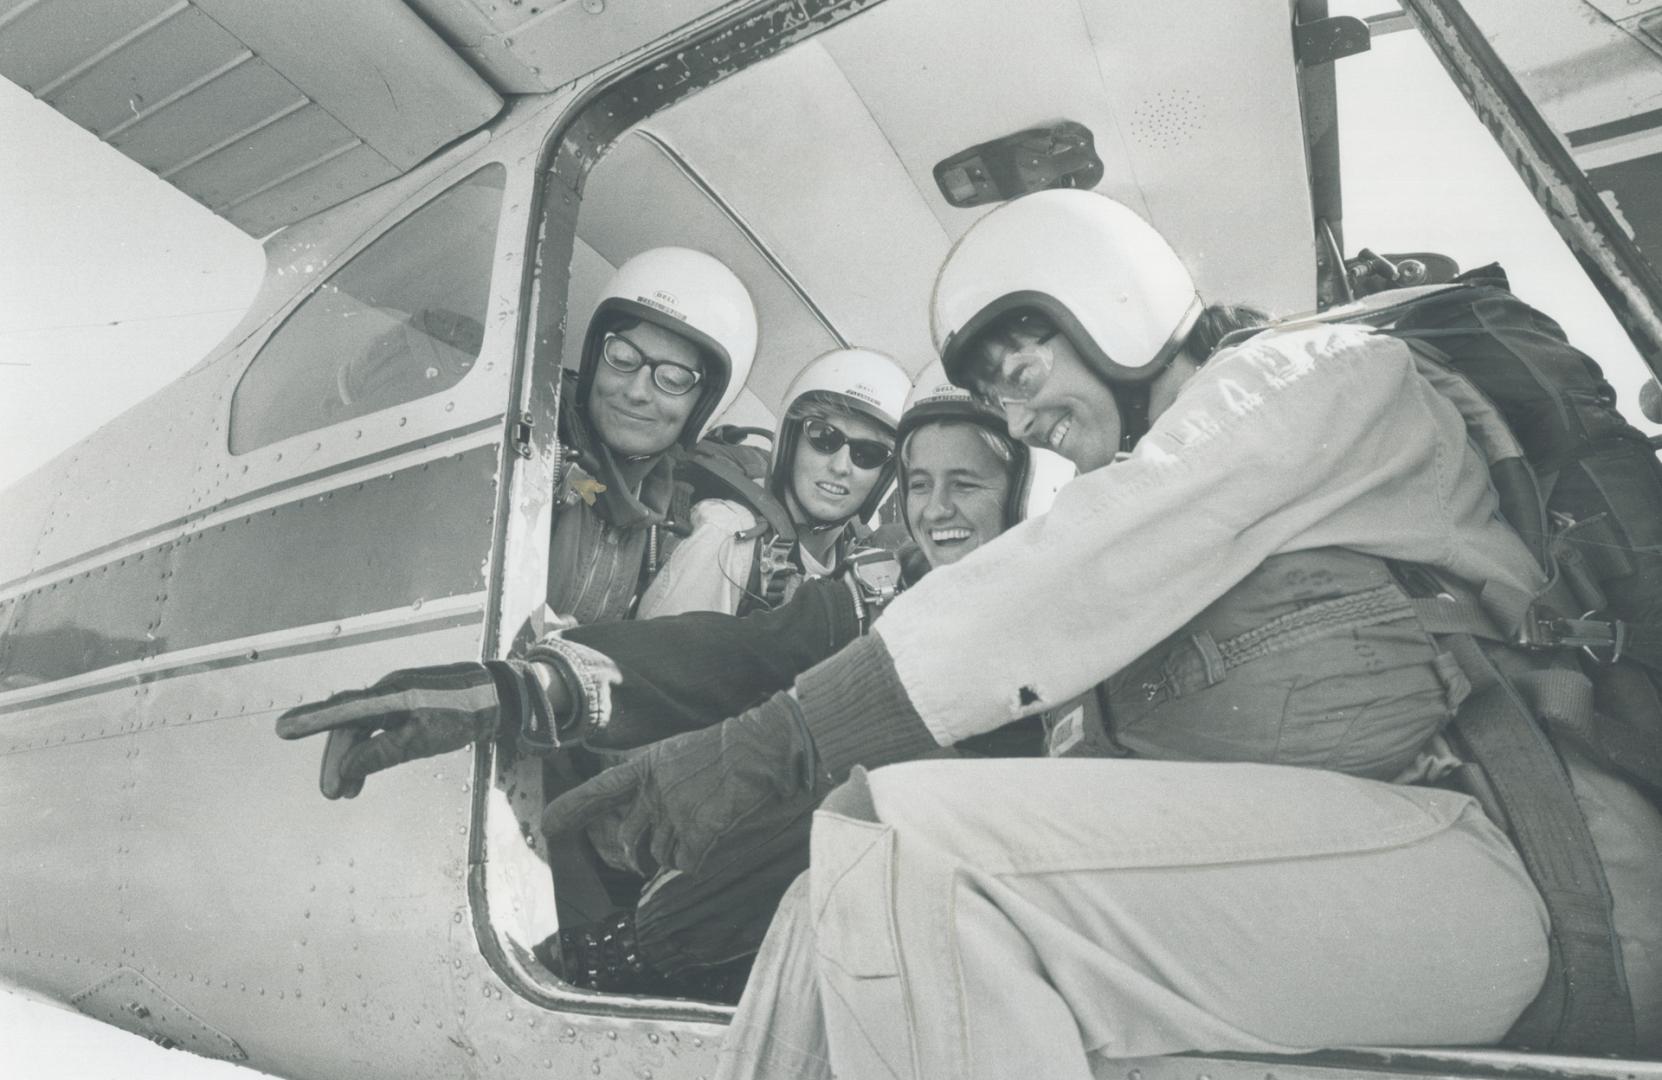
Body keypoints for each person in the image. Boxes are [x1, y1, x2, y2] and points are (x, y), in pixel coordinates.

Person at [530, 189, 1662, 1076]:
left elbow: (1079, 565)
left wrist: (766, 744)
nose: (1020, 417)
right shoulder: (1188, 490)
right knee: (860, 848)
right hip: (1400, 878)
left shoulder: (1319, 380)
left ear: (1109, 308)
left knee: (926, 850)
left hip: (1529, 871)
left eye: (1020, 368)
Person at [274, 366, 1039, 992]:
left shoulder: (1065, 621)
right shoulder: (875, 594)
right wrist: (531, 688)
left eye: (964, 486)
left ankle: (639, 949)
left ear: (1019, 496)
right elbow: (736, 653)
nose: (935, 510)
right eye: (919, 483)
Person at [547, 246, 757, 626]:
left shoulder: (665, 515)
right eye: (623, 358)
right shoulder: (533, 447)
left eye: (673, 379)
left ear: (705, 405)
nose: (637, 391)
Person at [637, 347, 911, 617]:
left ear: (884, 476)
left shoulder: (858, 561)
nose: (840, 467)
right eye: (823, 437)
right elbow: (658, 660)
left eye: (869, 454)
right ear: (790, 442)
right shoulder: (729, 535)